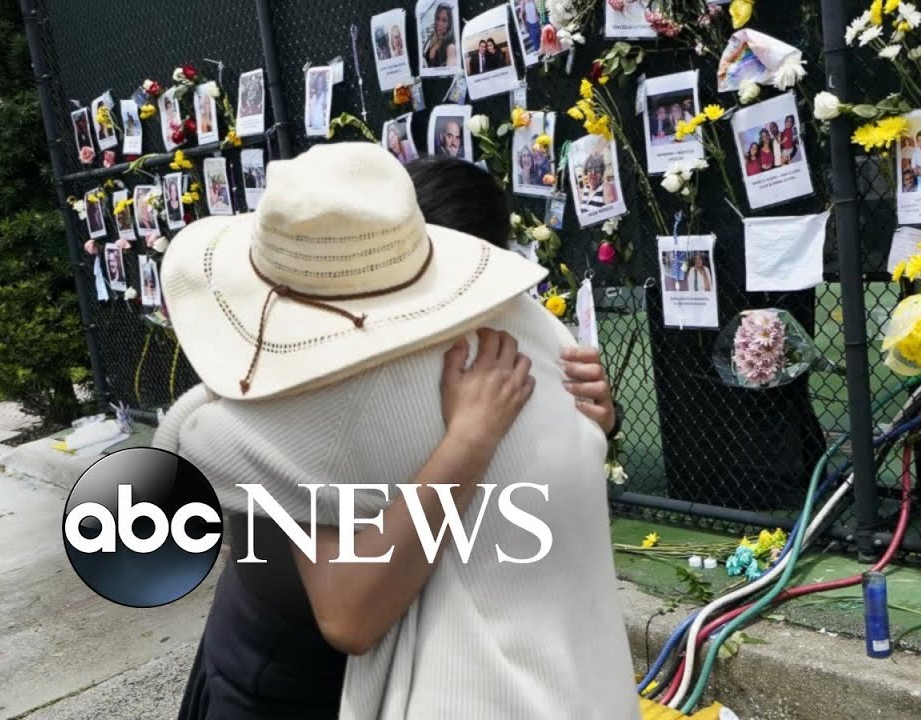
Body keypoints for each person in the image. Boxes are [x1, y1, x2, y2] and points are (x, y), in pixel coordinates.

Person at [163, 144, 631, 719]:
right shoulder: (293, 391)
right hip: (286, 680)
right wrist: (469, 440)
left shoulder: (491, 359)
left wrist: (589, 420)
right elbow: (350, 615)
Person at [422, 4, 457, 69]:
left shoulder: (451, 47)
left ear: (449, 24)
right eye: (437, 18)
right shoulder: (433, 39)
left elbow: (450, 72)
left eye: (444, 20)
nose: (439, 23)